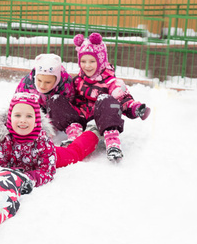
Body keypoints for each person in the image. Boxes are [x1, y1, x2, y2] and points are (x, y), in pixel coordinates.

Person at [0, 85, 99, 188]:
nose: (22, 120)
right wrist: (13, 177)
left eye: (29, 116)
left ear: (36, 119)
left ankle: (93, 132)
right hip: (24, 165)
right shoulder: (2, 140)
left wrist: (29, 178)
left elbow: (47, 171)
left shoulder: (43, 141)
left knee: (74, 154)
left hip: (50, 155)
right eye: (17, 115)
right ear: (9, 118)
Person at [63, 32, 150, 161]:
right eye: (83, 61)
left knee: (107, 100)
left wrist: (136, 108)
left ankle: (112, 142)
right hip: (80, 120)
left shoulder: (112, 82)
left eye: (92, 61)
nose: (87, 65)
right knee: (58, 100)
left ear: (101, 60)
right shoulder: (78, 81)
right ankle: (74, 137)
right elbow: (69, 100)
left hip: (101, 122)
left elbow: (124, 99)